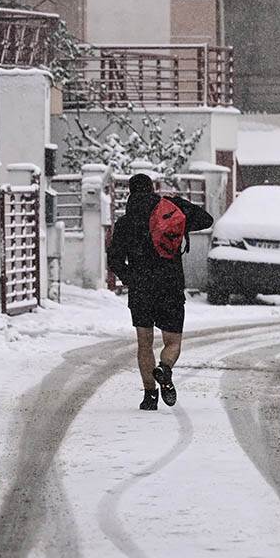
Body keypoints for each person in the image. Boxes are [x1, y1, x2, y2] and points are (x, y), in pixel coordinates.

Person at [107, 173, 214, 411]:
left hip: (141, 289)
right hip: (170, 285)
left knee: (144, 344)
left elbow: (114, 260)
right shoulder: (171, 213)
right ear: (153, 189)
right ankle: (164, 369)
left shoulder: (125, 224)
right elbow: (206, 220)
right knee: (172, 341)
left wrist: (131, 278)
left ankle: (149, 396)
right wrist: (179, 202)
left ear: (130, 194)